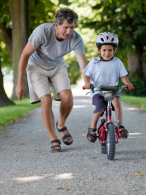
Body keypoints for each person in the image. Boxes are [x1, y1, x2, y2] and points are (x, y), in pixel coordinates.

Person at [16, 8, 88, 152]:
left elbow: (82, 62)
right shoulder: (42, 32)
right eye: (65, 27)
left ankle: (61, 125)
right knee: (46, 101)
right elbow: (24, 55)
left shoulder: (76, 38)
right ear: (57, 25)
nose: (69, 31)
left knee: (67, 98)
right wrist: (19, 83)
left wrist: (87, 81)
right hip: (36, 66)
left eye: (72, 27)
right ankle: (53, 138)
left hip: (57, 66)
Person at [83, 32, 133, 143]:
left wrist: (128, 83)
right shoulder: (94, 62)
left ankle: (120, 126)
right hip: (98, 91)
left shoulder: (117, 62)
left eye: (110, 50)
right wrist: (87, 83)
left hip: (112, 91)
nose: (107, 53)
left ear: (114, 51)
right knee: (100, 107)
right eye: (104, 50)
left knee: (117, 102)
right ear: (99, 50)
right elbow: (86, 75)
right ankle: (92, 128)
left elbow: (123, 76)